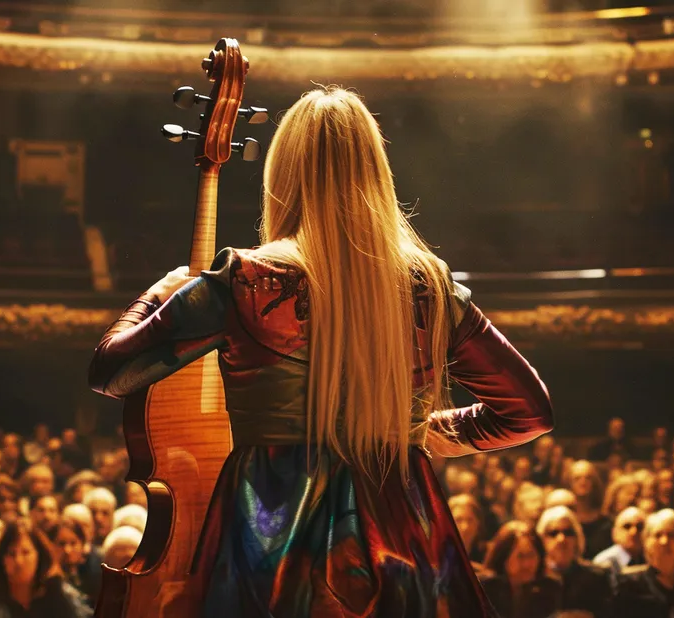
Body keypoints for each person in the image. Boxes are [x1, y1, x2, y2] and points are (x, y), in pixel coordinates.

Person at [87, 86, 554, 617]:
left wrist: (163, 290)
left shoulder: (245, 280)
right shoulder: (429, 285)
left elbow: (111, 370)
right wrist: (420, 431)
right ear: (377, 173)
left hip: (275, 549)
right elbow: (529, 412)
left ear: (282, 177)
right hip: (405, 541)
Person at [0, 518, 90, 618]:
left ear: (39, 557)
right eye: (11, 554)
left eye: (25, 552)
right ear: (2, 560)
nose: (18, 561)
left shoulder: (60, 598)